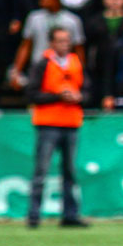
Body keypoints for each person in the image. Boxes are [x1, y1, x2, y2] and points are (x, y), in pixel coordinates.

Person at [25, 27, 89, 228]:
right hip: (48, 123)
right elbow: (32, 94)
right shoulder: (42, 64)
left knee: (70, 171)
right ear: (51, 43)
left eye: (67, 41)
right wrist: (58, 97)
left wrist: (80, 97)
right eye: (60, 41)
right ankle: (34, 215)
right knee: (41, 171)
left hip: (71, 122)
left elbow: (88, 90)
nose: (64, 44)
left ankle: (70, 215)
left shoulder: (76, 63)